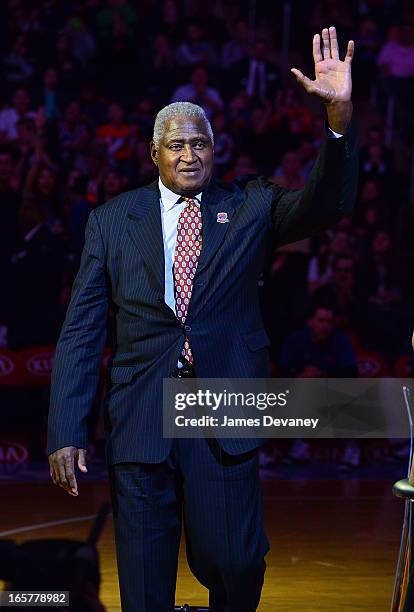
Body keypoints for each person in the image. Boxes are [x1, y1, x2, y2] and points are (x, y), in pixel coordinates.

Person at [47, 27, 357, 612]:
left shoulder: (251, 207)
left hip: (221, 409)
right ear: (154, 153)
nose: (189, 156)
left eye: (200, 145)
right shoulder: (111, 222)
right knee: (143, 586)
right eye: (176, 146)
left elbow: (329, 202)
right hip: (141, 413)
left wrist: (337, 118)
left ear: (215, 150)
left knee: (236, 561)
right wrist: (66, 427)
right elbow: (82, 332)